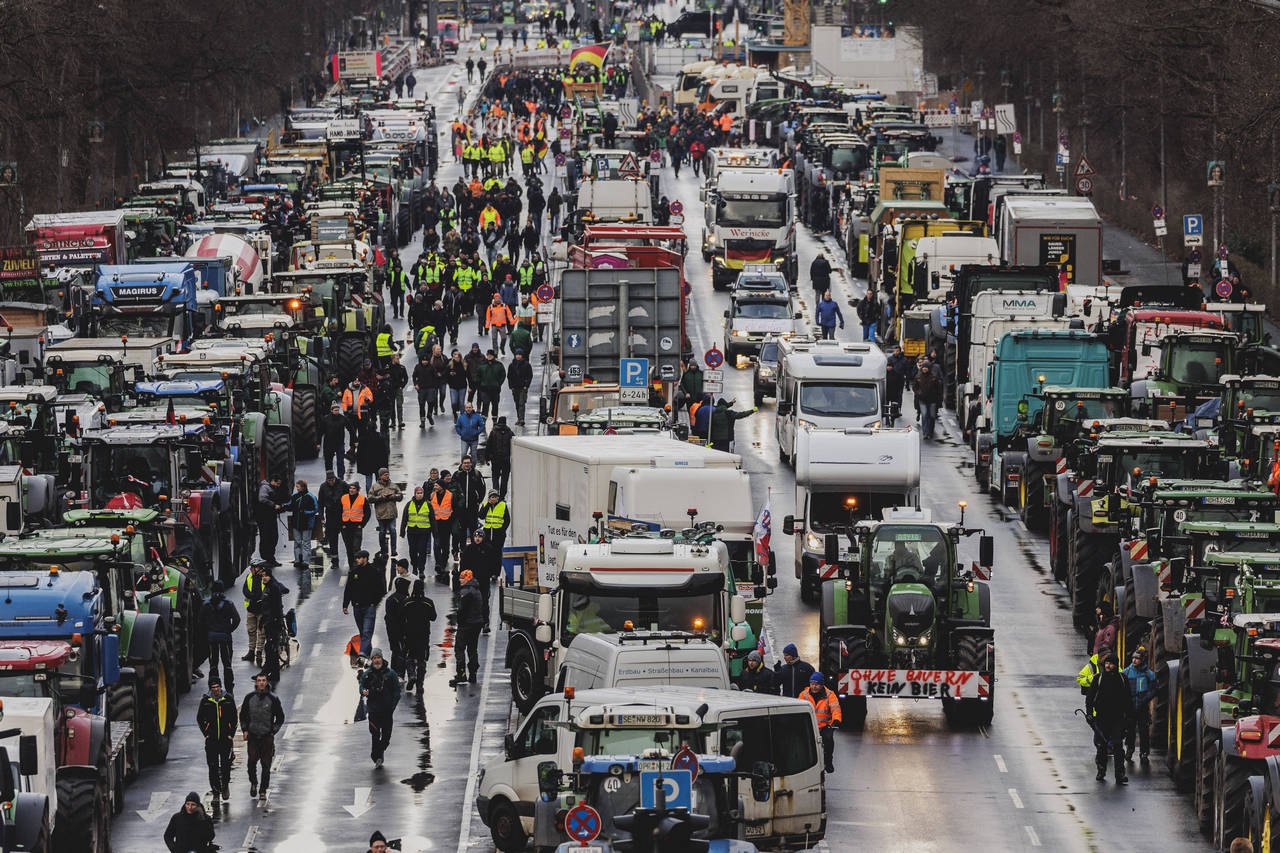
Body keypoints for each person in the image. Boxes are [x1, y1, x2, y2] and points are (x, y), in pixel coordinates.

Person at [1086, 651, 1131, 783]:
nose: (1107, 666)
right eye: (1106, 663)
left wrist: (1129, 718)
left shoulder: (1122, 679)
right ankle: (1101, 770)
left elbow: (1128, 700)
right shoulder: (1098, 679)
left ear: (1115, 665)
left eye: (1110, 663)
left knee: (1117, 746)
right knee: (1101, 746)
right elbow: (1089, 698)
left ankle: (1120, 774)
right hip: (1101, 718)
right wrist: (1089, 714)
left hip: (1118, 719)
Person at [240, 672, 285, 800]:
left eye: (263, 680)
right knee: (251, 763)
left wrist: (273, 730)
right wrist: (245, 730)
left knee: (266, 766)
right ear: (256, 683)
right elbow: (243, 716)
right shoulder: (249, 698)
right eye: (259, 680)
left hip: (266, 737)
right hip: (253, 737)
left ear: (267, 682)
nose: (261, 683)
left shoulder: (273, 699)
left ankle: (263, 790)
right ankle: (253, 782)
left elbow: (280, 717)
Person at [197, 676, 238, 801]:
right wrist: (206, 733)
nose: (215, 690)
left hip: (226, 739)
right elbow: (200, 718)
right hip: (212, 740)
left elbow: (234, 718)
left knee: (226, 765)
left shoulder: (228, 699)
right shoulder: (205, 701)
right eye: (213, 687)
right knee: (213, 766)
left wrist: (231, 733)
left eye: (217, 687)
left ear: (220, 687)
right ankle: (216, 791)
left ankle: (225, 785)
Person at [359, 649, 402, 767]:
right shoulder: (368, 674)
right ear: (372, 660)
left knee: (386, 736)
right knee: (375, 734)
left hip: (387, 711)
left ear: (382, 658)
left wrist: (392, 706)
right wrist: (364, 691)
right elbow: (362, 687)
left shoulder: (391, 674)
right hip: (373, 710)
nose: (377, 660)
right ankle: (377, 756)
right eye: (374, 658)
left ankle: (380, 751)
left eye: (378, 657)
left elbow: (397, 692)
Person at [344, 549, 385, 661]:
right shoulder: (354, 572)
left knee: (367, 631)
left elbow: (381, 589)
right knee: (363, 632)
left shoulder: (373, 572)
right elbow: (348, 589)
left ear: (365, 558)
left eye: (359, 558)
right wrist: (345, 604)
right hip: (357, 607)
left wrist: (374, 602)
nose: (357, 560)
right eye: (356, 558)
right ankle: (370, 654)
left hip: (369, 607)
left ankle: (362, 655)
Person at [201, 581, 241, 691]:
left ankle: (213, 688)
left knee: (213, 664)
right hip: (225, 637)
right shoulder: (229, 603)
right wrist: (229, 630)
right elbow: (237, 619)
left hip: (211, 637)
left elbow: (200, 621)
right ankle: (229, 690)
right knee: (227, 664)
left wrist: (208, 631)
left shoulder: (206, 604)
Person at [1122, 646, 1157, 763]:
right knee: (1130, 730)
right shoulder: (1126, 672)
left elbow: (1154, 689)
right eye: (1133, 658)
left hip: (1142, 707)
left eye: (1137, 659)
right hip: (1130, 707)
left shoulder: (1149, 674)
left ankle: (1144, 752)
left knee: (1144, 731)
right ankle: (1130, 750)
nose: (1134, 660)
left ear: (1142, 660)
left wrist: (1145, 699)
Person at [452, 569, 485, 686]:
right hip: (477, 623)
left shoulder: (466, 592)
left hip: (466, 624)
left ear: (467, 579)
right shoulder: (476, 589)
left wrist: (459, 621)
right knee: (472, 649)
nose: (460, 580)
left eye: (462, 578)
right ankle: (473, 673)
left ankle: (461, 674)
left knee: (459, 649)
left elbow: (461, 610)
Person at [803, 673, 841, 773]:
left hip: (825, 725)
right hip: (809, 726)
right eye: (812, 684)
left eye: (816, 684)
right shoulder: (804, 694)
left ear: (822, 685)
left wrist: (836, 720)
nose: (814, 686)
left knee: (828, 740)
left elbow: (835, 709)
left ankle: (828, 762)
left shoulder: (830, 695)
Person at [460, 530, 499, 626]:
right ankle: (472, 621)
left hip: (484, 579)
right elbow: (463, 563)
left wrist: (493, 573)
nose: (477, 539)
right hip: (471, 580)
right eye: (476, 537)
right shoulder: (469, 549)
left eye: (480, 537)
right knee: (471, 600)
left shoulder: (488, 549)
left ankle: (485, 622)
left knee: (484, 601)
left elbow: (495, 562)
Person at [452, 455, 488, 546]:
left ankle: (474, 550)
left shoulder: (477, 474)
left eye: (468, 463)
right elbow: (452, 490)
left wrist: (478, 501)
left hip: (473, 508)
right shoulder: (457, 475)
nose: (467, 464)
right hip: (461, 509)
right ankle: (463, 552)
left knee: (474, 531)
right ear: (462, 463)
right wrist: (456, 504)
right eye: (465, 463)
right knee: (462, 532)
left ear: (471, 463)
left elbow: (482, 489)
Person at [400, 485, 434, 577]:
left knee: (422, 551)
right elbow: (404, 518)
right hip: (412, 532)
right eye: (418, 493)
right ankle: (414, 567)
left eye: (421, 493)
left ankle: (421, 570)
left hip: (424, 532)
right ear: (415, 494)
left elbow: (432, 519)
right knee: (413, 551)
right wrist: (402, 530)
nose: (419, 495)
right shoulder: (409, 504)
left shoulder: (428, 505)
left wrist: (435, 532)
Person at [369, 468, 404, 557]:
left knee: (393, 530)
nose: (387, 476)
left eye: (388, 474)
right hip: (381, 514)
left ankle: (393, 550)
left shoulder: (393, 485)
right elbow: (370, 498)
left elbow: (400, 496)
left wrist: (394, 496)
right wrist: (380, 498)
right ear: (380, 476)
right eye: (385, 474)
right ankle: (383, 549)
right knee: (382, 531)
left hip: (392, 513)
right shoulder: (375, 486)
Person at [241, 558, 268, 666]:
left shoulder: (265, 578)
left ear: (260, 569)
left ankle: (259, 652)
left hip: (262, 610)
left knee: (261, 633)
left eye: (253, 567)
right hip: (251, 609)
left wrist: (259, 598)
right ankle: (251, 652)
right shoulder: (249, 577)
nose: (251, 569)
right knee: (251, 631)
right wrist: (252, 596)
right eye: (251, 567)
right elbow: (245, 590)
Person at [286, 479, 319, 568]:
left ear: (303, 487)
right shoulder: (295, 496)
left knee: (306, 543)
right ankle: (298, 560)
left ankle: (305, 561)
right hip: (296, 523)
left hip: (307, 524)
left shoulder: (311, 497)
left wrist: (305, 512)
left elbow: (316, 509)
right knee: (297, 542)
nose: (296, 488)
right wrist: (282, 507)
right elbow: (290, 506)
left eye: (298, 486)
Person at [340, 482, 372, 571]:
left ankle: (356, 566)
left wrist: (362, 524)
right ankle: (351, 566)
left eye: (354, 488)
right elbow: (339, 511)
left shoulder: (362, 499)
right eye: (350, 488)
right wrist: (341, 524)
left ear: (358, 490)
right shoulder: (344, 498)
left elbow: (367, 513)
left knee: (356, 548)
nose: (351, 490)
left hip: (356, 527)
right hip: (346, 527)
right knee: (349, 548)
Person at [256, 474, 285, 565]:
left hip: (270, 517)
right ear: (272, 481)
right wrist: (273, 505)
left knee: (273, 537)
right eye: (277, 483)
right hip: (265, 518)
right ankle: (268, 557)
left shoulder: (271, 488)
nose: (278, 485)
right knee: (267, 537)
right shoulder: (265, 488)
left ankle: (269, 557)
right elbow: (262, 499)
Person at [429, 478, 454, 581]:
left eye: (437, 485)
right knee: (436, 545)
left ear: (442, 487)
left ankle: (443, 562)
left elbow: (453, 508)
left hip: (446, 524)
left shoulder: (450, 495)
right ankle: (439, 564)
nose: (435, 487)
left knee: (445, 545)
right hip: (436, 524)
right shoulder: (432, 495)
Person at [384, 577, 410, 674]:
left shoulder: (390, 599)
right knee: (401, 652)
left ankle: (393, 672)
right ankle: (400, 674)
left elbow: (388, 616)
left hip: (390, 629)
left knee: (394, 650)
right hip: (401, 629)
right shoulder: (404, 600)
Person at [913, 355, 942, 440]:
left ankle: (930, 431)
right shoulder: (918, 377)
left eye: (926, 367)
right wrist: (918, 393)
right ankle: (925, 432)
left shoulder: (934, 378)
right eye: (923, 367)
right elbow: (914, 387)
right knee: (925, 416)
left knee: (932, 416)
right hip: (922, 400)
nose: (924, 369)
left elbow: (938, 389)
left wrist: (938, 399)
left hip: (932, 400)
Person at [321, 402, 354, 477]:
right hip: (329, 444)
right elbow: (320, 431)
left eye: (338, 410)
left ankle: (340, 477)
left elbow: (351, 428)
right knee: (328, 462)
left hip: (340, 443)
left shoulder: (342, 418)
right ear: (331, 410)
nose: (337, 412)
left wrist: (354, 440)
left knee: (340, 462)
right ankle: (329, 477)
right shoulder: (326, 419)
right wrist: (318, 443)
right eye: (335, 410)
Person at [487, 417, 515, 497]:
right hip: (506, 460)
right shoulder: (509, 432)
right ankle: (502, 495)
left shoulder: (493, 432)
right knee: (505, 478)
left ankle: (495, 491)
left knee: (495, 476)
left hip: (495, 459)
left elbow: (489, 445)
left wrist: (487, 457)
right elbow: (515, 444)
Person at [476, 348, 507, 419]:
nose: (489, 356)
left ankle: (495, 417)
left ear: (493, 356)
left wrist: (498, 383)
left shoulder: (499, 365)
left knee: (495, 404)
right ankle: (484, 418)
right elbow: (478, 375)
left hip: (495, 389)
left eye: (491, 355)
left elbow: (503, 375)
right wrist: (480, 384)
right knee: (485, 403)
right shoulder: (482, 365)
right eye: (488, 355)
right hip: (484, 389)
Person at [885, 345, 913, 422]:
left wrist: (907, 382)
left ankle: (897, 409)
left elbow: (907, 371)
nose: (896, 352)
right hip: (890, 381)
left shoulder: (904, 360)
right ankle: (888, 414)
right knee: (889, 399)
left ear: (900, 351)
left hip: (900, 381)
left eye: (897, 351)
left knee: (899, 396)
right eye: (895, 351)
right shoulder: (890, 359)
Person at [507, 350, 533, 425]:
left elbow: (529, 375)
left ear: (522, 355)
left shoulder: (526, 365)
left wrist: (526, 385)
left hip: (523, 387)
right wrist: (511, 386)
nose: (518, 356)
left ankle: (521, 419)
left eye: (519, 355)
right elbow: (509, 376)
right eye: (517, 354)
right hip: (515, 387)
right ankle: (519, 418)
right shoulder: (512, 365)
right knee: (517, 403)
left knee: (522, 403)